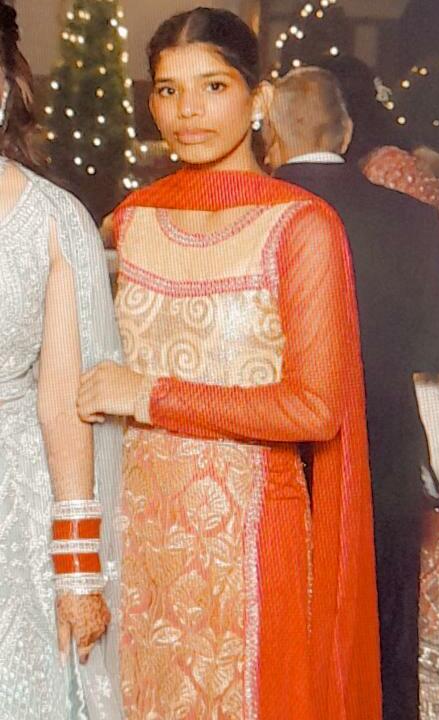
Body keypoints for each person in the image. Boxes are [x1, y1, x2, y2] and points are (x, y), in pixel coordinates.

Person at [77, 8, 381, 720]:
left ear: (258, 96)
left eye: (213, 86)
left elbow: (315, 409)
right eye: (168, 90)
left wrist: (148, 395)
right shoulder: (132, 220)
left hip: (250, 543)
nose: (188, 111)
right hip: (135, 538)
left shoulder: (301, 225)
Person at [264, 66, 439, 720]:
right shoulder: (410, 219)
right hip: (385, 450)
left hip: (273, 450)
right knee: (387, 634)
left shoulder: (250, 216)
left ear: (271, 135)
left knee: (283, 629)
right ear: (347, 131)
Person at [0, 3, 124, 719]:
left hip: (12, 510)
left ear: (6, 88)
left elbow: (62, 407)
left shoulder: (52, 222)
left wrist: (78, 572)